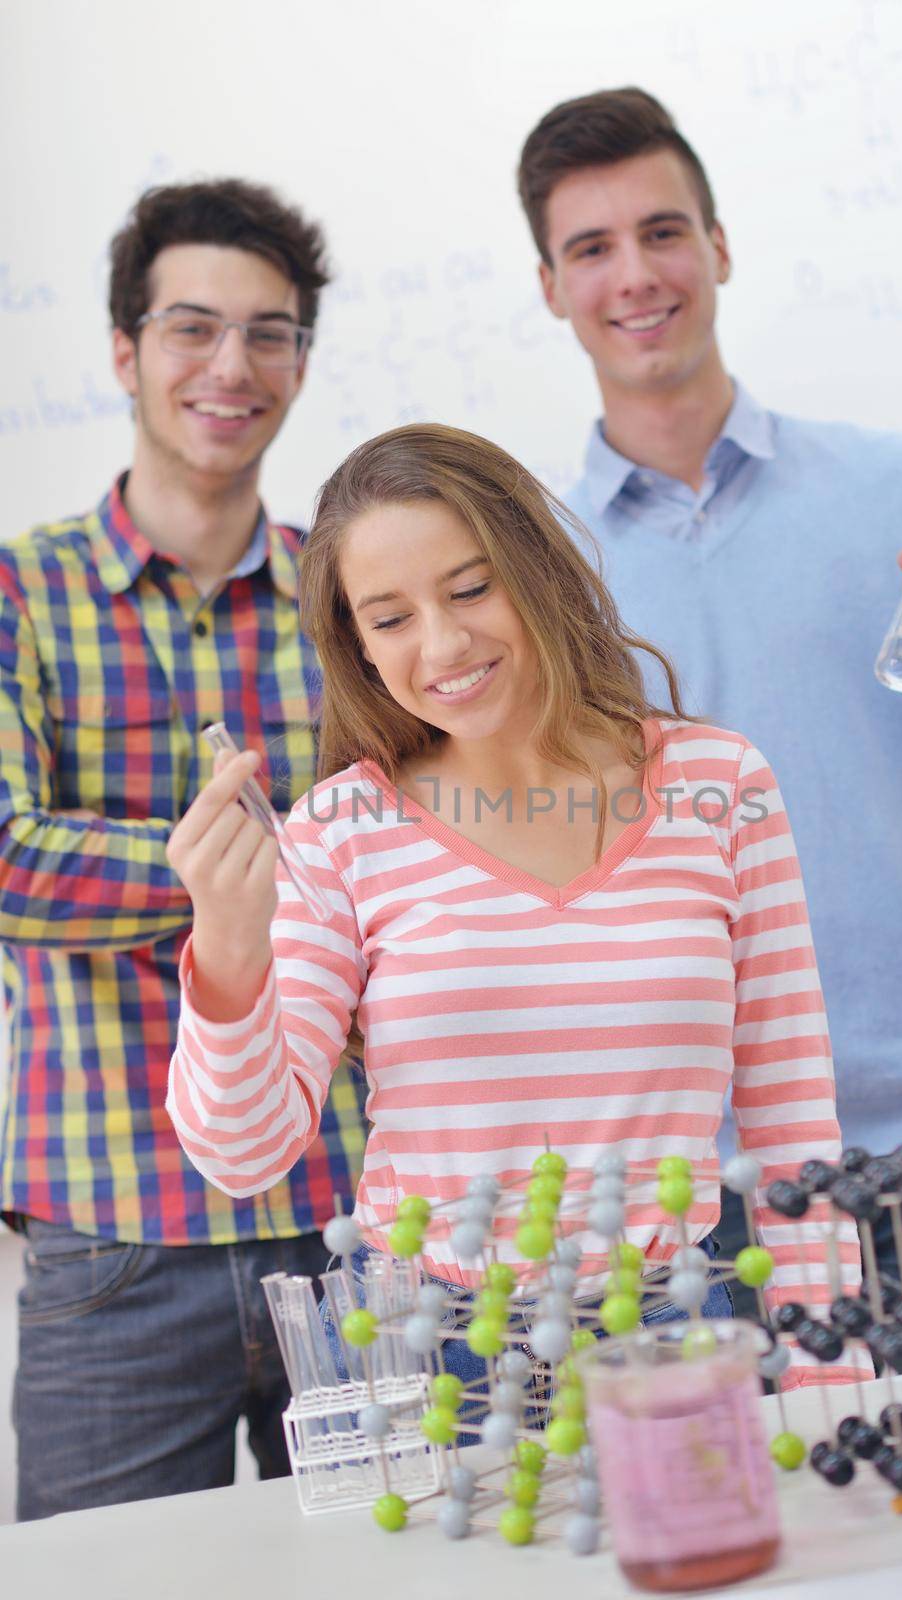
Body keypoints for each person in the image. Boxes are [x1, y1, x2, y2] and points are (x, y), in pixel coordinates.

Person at [516, 86, 902, 1338]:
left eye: (663, 231)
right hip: (698, 1188)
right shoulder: (531, 573)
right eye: (591, 248)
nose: (636, 274)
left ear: (719, 246)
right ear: (550, 286)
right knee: (756, 1538)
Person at [165, 422, 866, 1391]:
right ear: (357, 647)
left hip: (670, 1328)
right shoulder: (340, 830)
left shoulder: (721, 784)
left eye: (470, 588)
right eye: (391, 617)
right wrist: (230, 951)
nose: (445, 643)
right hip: (428, 1350)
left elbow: (790, 1113)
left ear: (535, 569)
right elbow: (243, 1154)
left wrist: (833, 1368)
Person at [0, 179, 364, 1520]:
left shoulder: (352, 600)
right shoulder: (17, 595)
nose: (232, 367)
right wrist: (225, 876)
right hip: (114, 1237)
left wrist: (276, 884)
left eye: (270, 334)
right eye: (193, 328)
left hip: (350, 1219)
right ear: (124, 351)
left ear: (302, 364)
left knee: (413, 1575)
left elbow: (418, 857)